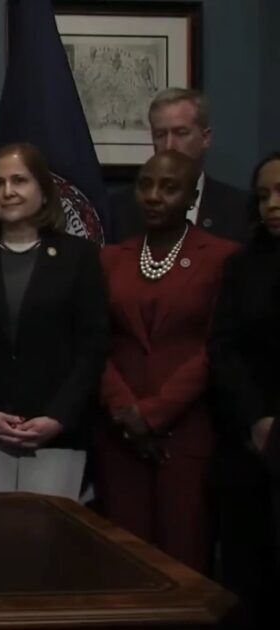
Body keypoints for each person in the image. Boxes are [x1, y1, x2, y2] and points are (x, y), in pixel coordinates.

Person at [0, 143, 107, 499]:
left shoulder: (80, 258)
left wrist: (58, 416)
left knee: (47, 550)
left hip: (55, 438)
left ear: (43, 192)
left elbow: (92, 348)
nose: (8, 191)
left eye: (20, 181)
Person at [97, 150, 239, 573]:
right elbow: (94, 342)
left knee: (184, 560)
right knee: (124, 562)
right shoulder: (111, 258)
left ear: (192, 194)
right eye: (146, 185)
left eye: (169, 187)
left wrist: (154, 415)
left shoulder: (222, 256)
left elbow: (216, 347)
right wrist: (127, 412)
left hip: (185, 433)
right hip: (119, 433)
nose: (154, 196)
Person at [210, 152, 280, 629]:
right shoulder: (243, 264)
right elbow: (224, 348)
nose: (273, 204)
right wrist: (257, 418)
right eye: (264, 196)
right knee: (246, 574)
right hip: (249, 439)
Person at [110, 88, 250, 244]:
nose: (170, 146)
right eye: (160, 135)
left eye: (181, 133)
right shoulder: (119, 209)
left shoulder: (240, 208)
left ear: (205, 138)